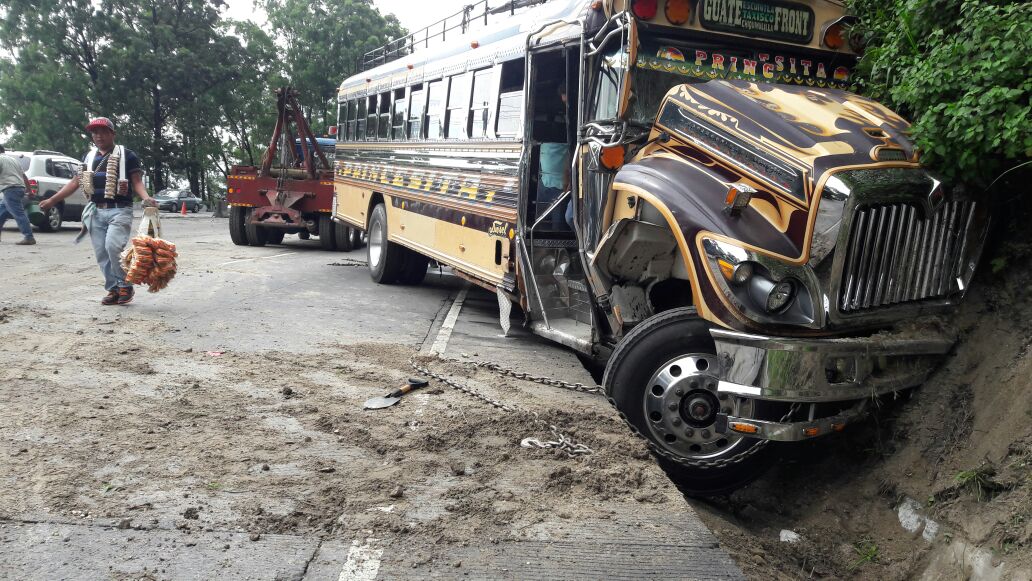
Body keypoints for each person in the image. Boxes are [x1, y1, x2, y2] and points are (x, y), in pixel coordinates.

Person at [41, 117, 156, 306]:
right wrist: (53, 200)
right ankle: (113, 289)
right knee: (101, 253)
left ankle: (125, 285)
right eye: (94, 132)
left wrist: (146, 198)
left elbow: (136, 181)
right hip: (95, 211)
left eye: (103, 131)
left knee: (113, 247)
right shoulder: (89, 157)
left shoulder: (128, 155)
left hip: (120, 210)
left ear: (112, 134)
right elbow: (75, 182)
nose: (98, 135)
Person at [536, 82, 573, 231]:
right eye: (563, 101)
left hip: (558, 181)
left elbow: (568, 162)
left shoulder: (571, 120)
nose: (565, 105)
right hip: (546, 180)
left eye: (567, 101)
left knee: (557, 221)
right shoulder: (558, 122)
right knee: (544, 218)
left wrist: (567, 182)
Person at [0, 144, 36, 245]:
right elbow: (24, 176)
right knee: (1, 212)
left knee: (19, 213)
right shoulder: (13, 160)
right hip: (19, 188)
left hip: (10, 189)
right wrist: (29, 191)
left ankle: (29, 237)